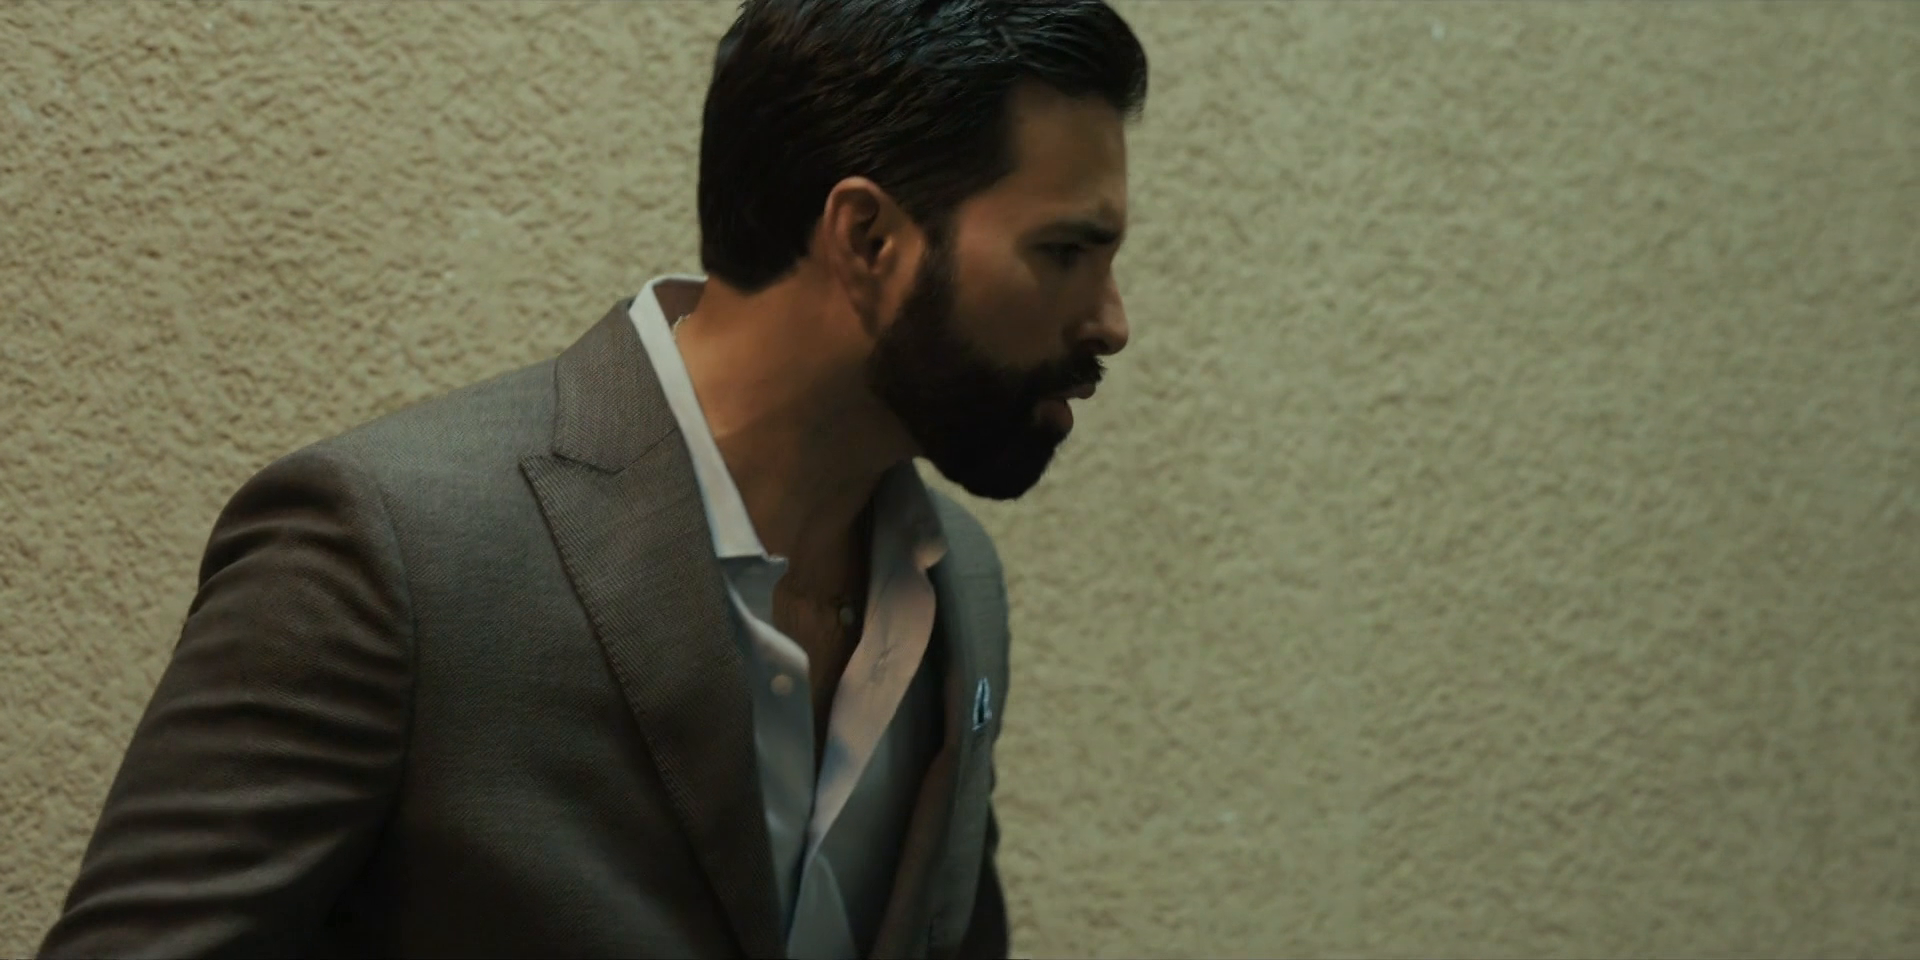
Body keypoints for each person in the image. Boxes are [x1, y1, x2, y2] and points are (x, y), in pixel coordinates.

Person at [36, 0, 1146, 956]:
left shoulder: (957, 587)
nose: (1111, 321)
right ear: (866, 238)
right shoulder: (389, 552)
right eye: (1065, 252)